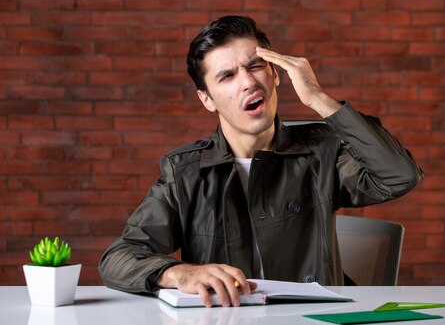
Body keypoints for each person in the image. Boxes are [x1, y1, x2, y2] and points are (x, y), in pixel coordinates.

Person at [98, 16, 423, 307]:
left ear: (275, 74)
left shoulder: (322, 151)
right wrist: (179, 274)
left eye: (255, 66)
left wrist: (319, 99)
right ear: (207, 99)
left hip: (313, 318)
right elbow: (119, 257)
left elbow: (399, 175)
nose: (248, 82)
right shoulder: (185, 172)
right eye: (226, 76)